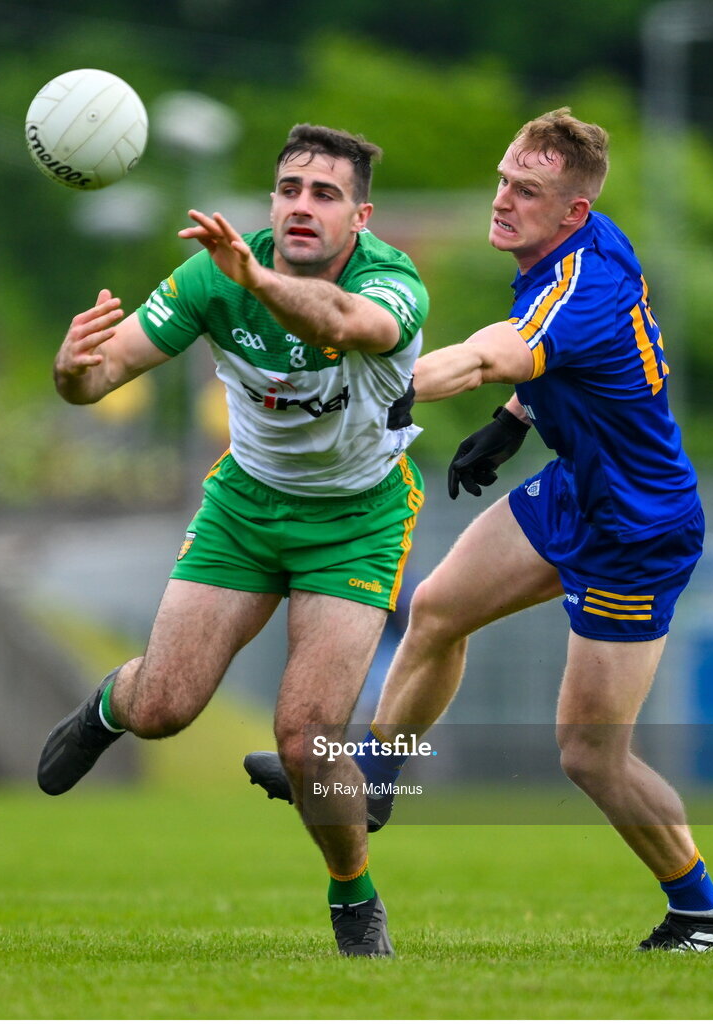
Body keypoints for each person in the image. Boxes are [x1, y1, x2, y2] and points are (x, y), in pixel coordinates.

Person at [246, 108, 713, 953]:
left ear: (572, 212)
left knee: (589, 756)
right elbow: (549, 358)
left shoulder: (583, 281)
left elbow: (484, 353)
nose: (504, 198)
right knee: (436, 608)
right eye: (505, 176)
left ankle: (701, 911)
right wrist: (515, 420)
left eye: (529, 190)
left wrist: (388, 383)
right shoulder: (572, 249)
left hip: (636, 529)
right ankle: (377, 777)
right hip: (575, 492)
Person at [36, 123, 429, 959]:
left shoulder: (391, 280)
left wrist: (252, 275)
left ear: (361, 217)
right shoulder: (213, 276)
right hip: (244, 508)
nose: (300, 206)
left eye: (325, 195)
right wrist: (73, 370)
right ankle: (113, 704)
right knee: (164, 710)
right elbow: (102, 376)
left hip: (358, 520)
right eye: (289, 189)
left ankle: (353, 900)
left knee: (307, 741)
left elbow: (347, 324)